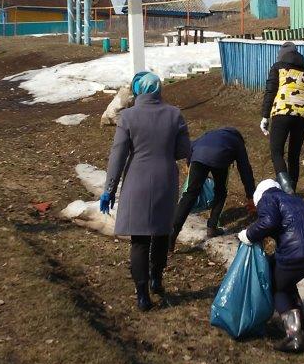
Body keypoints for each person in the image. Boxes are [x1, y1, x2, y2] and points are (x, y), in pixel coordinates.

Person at [100, 72, 190, 311]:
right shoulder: (174, 114)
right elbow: (182, 150)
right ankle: (156, 280)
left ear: (138, 91)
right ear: (159, 89)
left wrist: (109, 189)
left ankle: (142, 295)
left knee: (139, 240)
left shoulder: (127, 117)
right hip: (165, 180)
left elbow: (118, 156)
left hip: (137, 181)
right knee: (161, 233)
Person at [239, 179, 304, 353]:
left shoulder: (268, 198)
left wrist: (248, 234)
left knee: (277, 285)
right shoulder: (295, 200)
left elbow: (269, 221)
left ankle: (294, 336)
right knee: (286, 276)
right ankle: (303, 320)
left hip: (300, 249)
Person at [170, 127, 257, 246]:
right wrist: (251, 196)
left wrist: (189, 163)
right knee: (220, 192)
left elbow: (192, 146)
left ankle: (171, 236)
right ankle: (212, 227)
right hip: (221, 157)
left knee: (190, 194)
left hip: (198, 155)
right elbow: (245, 169)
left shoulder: (209, 134)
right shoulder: (237, 141)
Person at [259, 42, 304, 194]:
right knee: (294, 155)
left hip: (282, 112)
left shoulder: (278, 68)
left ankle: (286, 189)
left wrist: (265, 116)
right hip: (303, 116)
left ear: (281, 55)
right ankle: (292, 192)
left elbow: (270, 91)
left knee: (276, 152)